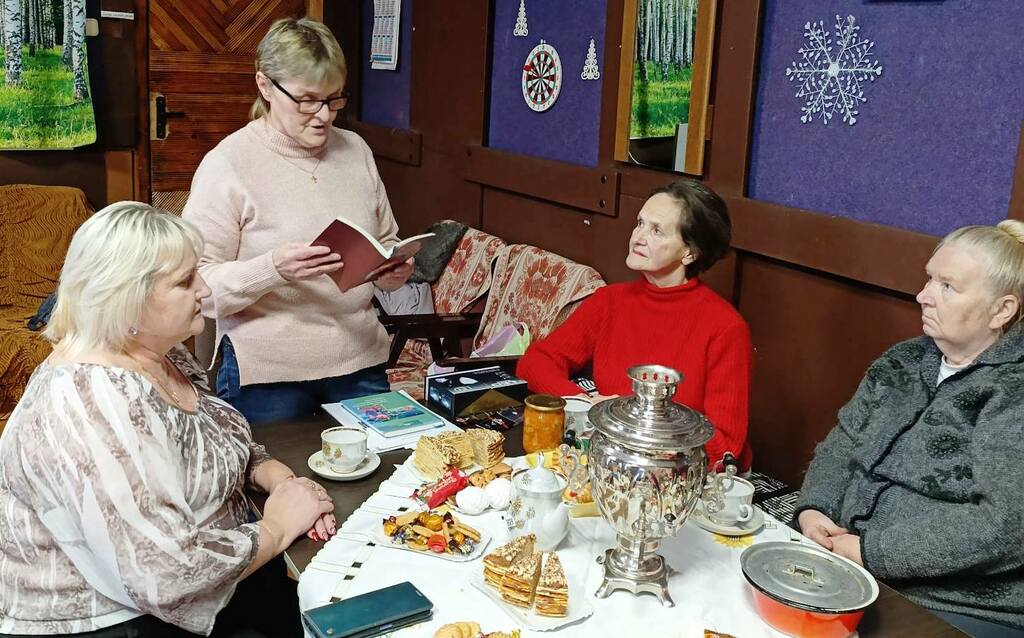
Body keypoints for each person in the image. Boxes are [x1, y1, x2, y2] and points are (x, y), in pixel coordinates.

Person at [0, 203, 337, 637]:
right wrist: (277, 526)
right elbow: (164, 576)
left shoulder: (159, 352)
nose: (204, 289)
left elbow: (211, 438)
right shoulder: (90, 402)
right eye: (184, 281)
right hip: (119, 622)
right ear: (126, 299)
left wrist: (277, 478)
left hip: (221, 576)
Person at [795, 221, 1024, 636]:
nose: (923, 295)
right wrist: (815, 510)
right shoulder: (904, 359)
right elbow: (843, 442)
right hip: (851, 561)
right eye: (929, 279)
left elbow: (1005, 527)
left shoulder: (1014, 391)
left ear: (1002, 310)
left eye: (948, 287)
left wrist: (872, 551)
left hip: (957, 605)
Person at [183, 17, 412, 425]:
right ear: (265, 86)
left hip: (360, 360)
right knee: (276, 467)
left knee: (388, 466)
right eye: (307, 100)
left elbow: (385, 240)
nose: (324, 116)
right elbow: (195, 287)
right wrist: (272, 269)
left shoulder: (356, 151)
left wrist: (391, 272)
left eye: (334, 100)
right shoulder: (228, 163)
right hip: (267, 374)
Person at [516, 179, 754, 471]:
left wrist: (634, 432)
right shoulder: (610, 301)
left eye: (656, 231)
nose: (638, 237)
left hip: (680, 477)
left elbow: (724, 445)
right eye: (640, 223)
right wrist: (587, 404)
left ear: (690, 252)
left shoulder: (725, 327)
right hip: (608, 460)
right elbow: (535, 362)